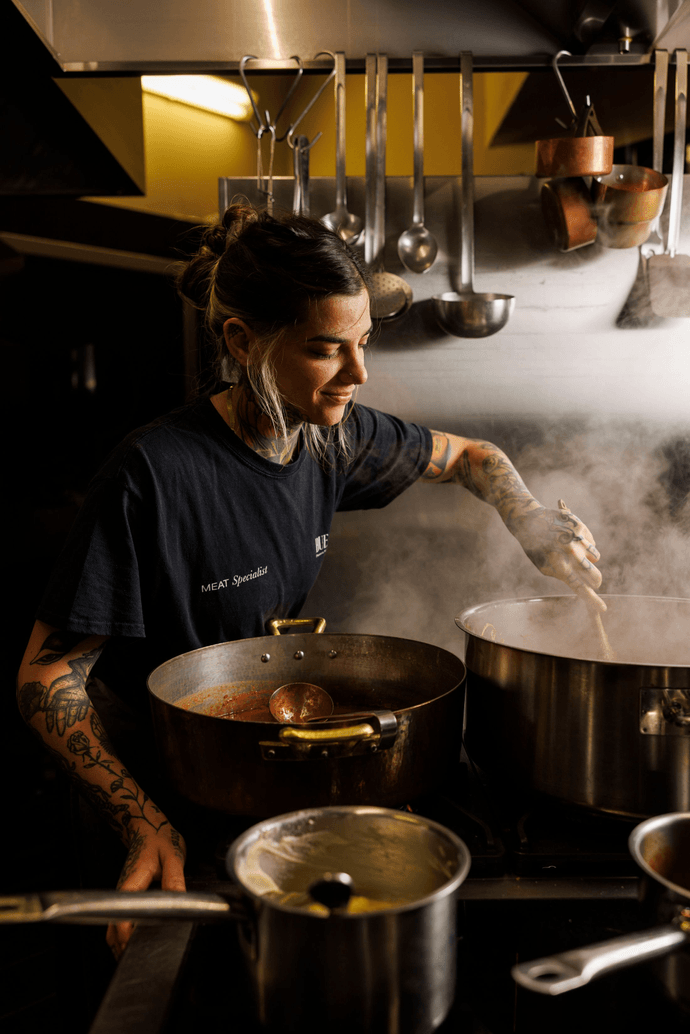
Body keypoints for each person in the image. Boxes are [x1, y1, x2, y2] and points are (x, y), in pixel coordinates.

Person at [16, 203, 604, 957]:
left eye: (362, 343)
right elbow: (45, 677)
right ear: (243, 341)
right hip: (151, 796)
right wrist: (140, 819)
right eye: (329, 350)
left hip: (255, 773)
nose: (358, 375)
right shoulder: (155, 474)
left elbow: (471, 457)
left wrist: (528, 519)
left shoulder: (332, 437)